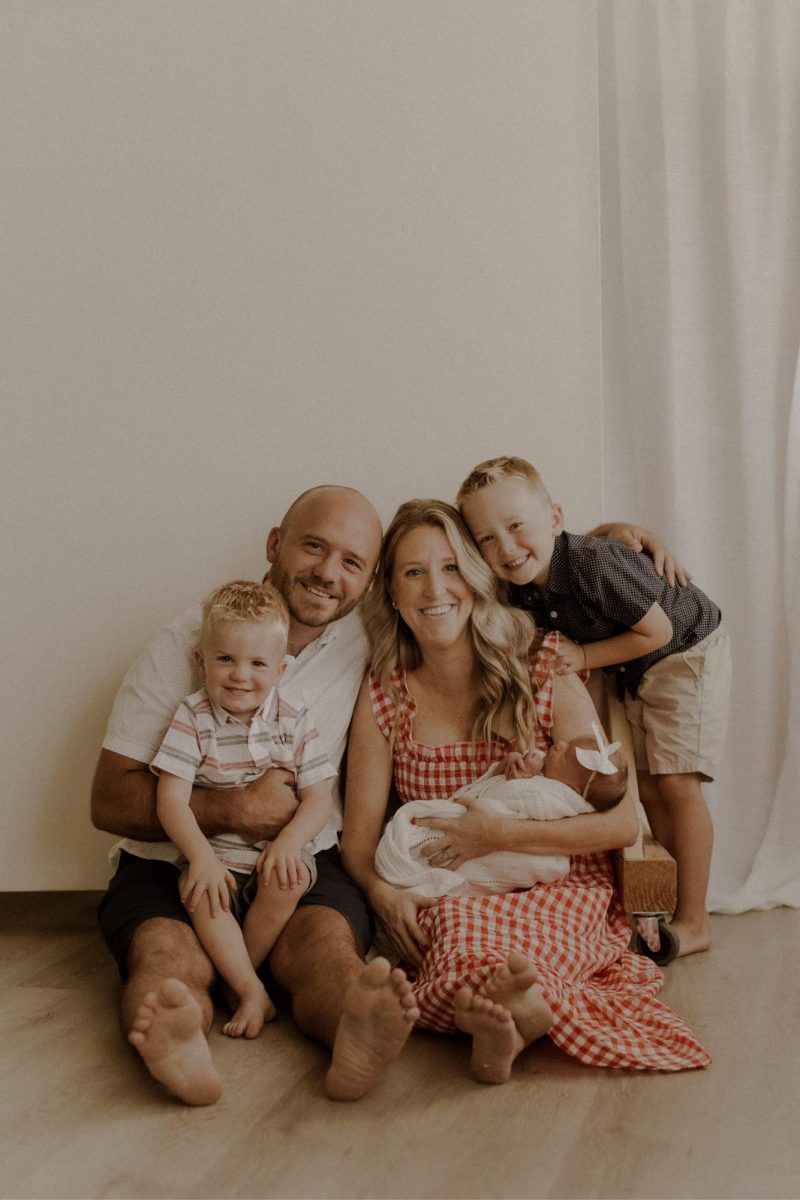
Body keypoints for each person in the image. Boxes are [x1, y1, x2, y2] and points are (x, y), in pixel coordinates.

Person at [91, 482, 686, 1104]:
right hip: (187, 861)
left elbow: (618, 809)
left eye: (352, 563)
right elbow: (107, 802)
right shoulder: (199, 645)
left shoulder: (398, 647)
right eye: (313, 547)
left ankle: (368, 1027)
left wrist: (621, 536)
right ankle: (176, 1033)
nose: (328, 574)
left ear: (368, 583)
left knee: (330, 954)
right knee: (168, 957)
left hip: (313, 862)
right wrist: (241, 813)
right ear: (392, 591)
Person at [341, 498, 711, 1086]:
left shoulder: (540, 662)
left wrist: (500, 833)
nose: (435, 588)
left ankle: (512, 1011)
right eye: (414, 572)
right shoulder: (385, 692)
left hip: (559, 878)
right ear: (390, 591)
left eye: (452, 567)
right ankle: (510, 1016)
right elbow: (359, 839)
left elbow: (620, 823)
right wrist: (383, 894)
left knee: (530, 942)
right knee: (463, 936)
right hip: (452, 890)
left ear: (478, 578)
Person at [457, 456, 733, 959]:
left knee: (677, 782)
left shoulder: (591, 562)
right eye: (487, 539)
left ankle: (697, 919)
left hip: (685, 650)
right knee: (647, 785)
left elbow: (660, 631)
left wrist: (583, 656)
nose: (506, 547)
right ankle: (667, 906)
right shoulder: (524, 590)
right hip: (640, 665)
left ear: (555, 519)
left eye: (516, 527)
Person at [152, 579, 337, 1040]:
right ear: (202, 661)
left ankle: (241, 981)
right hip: (216, 856)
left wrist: (291, 842)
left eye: (257, 663)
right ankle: (252, 990)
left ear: (280, 669)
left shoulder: (293, 718)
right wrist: (201, 858)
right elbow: (171, 800)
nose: (240, 675)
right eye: (225, 659)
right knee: (202, 896)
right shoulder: (192, 718)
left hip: (277, 853)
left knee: (288, 879)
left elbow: (319, 795)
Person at [375, 714, 628, 898]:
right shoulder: (545, 774)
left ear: (574, 790)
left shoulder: (553, 797)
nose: (559, 744)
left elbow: (521, 801)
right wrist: (509, 767)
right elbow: (499, 788)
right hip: (469, 821)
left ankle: (421, 869)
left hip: (516, 855)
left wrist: (496, 831)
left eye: (565, 753)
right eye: (566, 743)